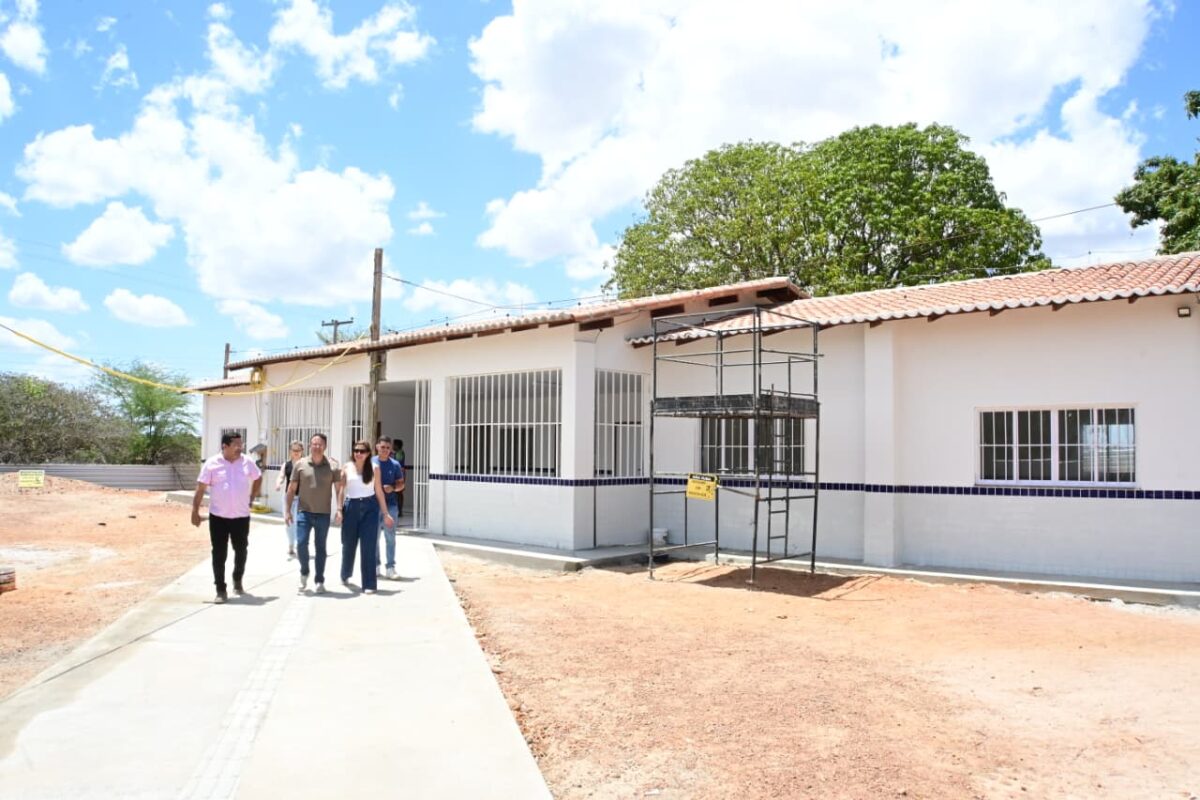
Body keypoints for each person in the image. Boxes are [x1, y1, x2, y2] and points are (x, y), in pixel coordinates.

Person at [191, 431, 262, 604]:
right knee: (219, 553)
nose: (240, 447)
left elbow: (258, 477)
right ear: (225, 446)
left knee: (241, 550)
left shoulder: (247, 462)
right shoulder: (212, 463)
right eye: (236, 444)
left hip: (241, 516)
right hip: (218, 517)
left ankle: (237, 579)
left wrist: (252, 496)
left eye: (241, 444)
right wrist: (195, 511)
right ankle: (220, 589)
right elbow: (201, 488)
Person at [285, 433, 341, 594]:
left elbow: (339, 489)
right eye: (314, 444)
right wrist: (287, 511)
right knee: (301, 544)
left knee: (320, 547)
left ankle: (319, 580)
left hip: (323, 514)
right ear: (310, 446)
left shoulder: (333, 466)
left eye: (320, 444)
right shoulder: (300, 464)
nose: (317, 447)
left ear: (325, 446)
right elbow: (291, 489)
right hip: (304, 512)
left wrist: (339, 509)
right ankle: (304, 572)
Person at [336, 439, 393, 594]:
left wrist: (386, 513)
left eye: (362, 451)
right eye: (356, 450)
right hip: (351, 507)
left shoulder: (375, 468)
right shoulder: (347, 467)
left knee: (369, 546)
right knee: (348, 544)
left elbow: (379, 491)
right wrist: (339, 510)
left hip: (370, 508)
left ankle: (369, 584)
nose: (358, 453)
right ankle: (345, 574)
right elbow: (341, 490)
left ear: (368, 453)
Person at [373, 436, 405, 579]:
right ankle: (375, 566)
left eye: (387, 447)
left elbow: (401, 484)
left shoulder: (395, 464)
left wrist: (392, 488)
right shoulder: (370, 462)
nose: (385, 450)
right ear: (377, 447)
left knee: (390, 537)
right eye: (382, 447)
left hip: (391, 506)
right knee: (374, 537)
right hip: (373, 506)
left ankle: (390, 568)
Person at [274, 440, 304, 558]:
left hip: (302, 498)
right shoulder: (286, 464)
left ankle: (299, 545)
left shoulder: (305, 464)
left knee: (299, 522)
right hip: (288, 498)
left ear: (302, 451)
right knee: (288, 522)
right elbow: (281, 476)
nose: (296, 452)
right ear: (290, 451)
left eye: (298, 450)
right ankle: (291, 544)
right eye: (294, 450)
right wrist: (278, 483)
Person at [394, 438, 406, 518]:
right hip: (400, 474)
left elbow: (397, 463)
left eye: (394, 444)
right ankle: (399, 510)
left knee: (398, 493)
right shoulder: (400, 452)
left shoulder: (399, 453)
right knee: (399, 493)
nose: (393, 446)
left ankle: (399, 511)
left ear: (397, 445)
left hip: (399, 474)